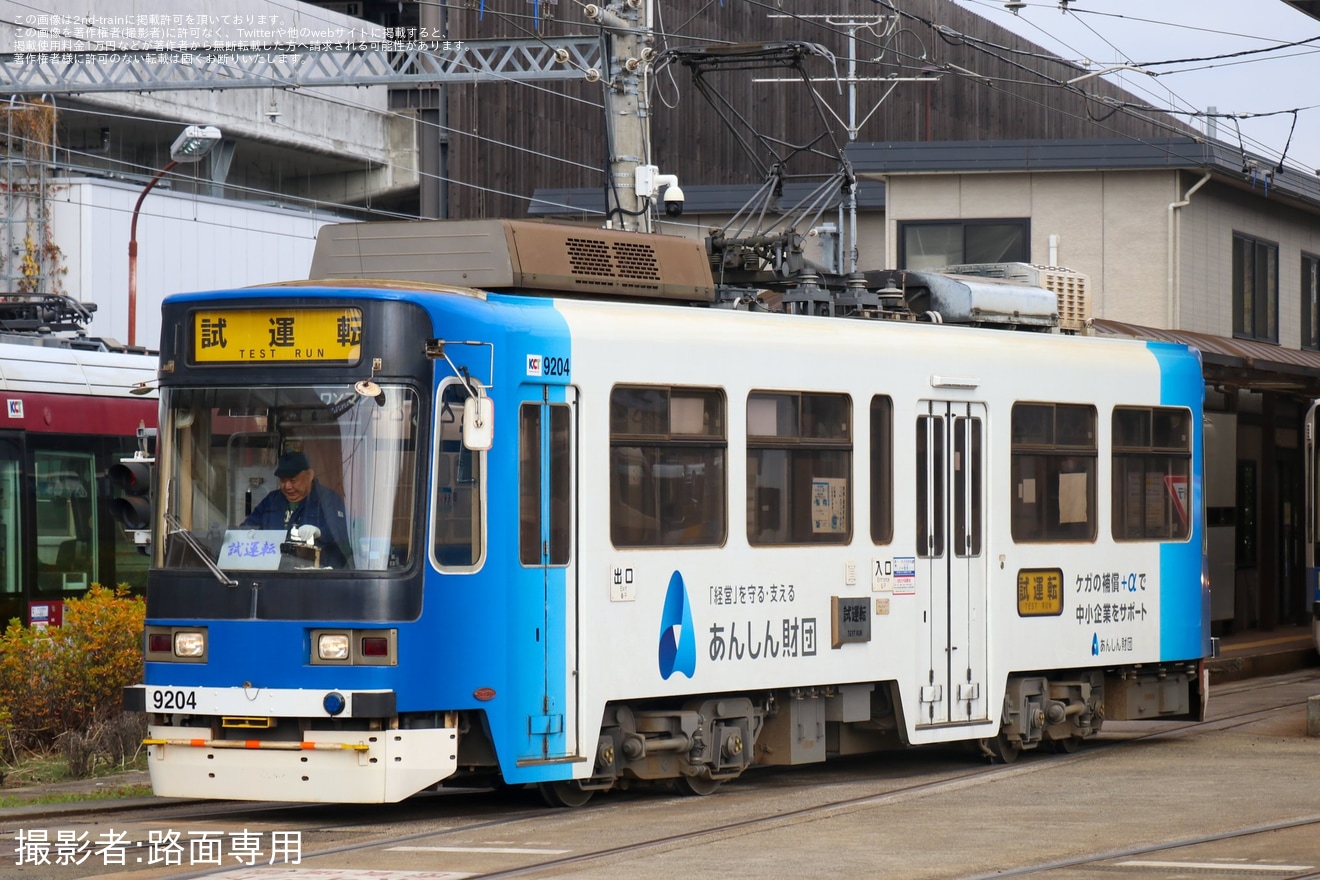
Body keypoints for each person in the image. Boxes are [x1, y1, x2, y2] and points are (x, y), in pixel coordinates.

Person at [242, 451, 351, 568]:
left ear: (309, 475)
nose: (288, 486)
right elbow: (247, 528)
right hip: (274, 573)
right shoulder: (272, 501)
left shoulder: (328, 500)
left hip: (316, 575)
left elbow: (342, 532)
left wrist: (320, 532)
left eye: (293, 480)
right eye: (283, 481)